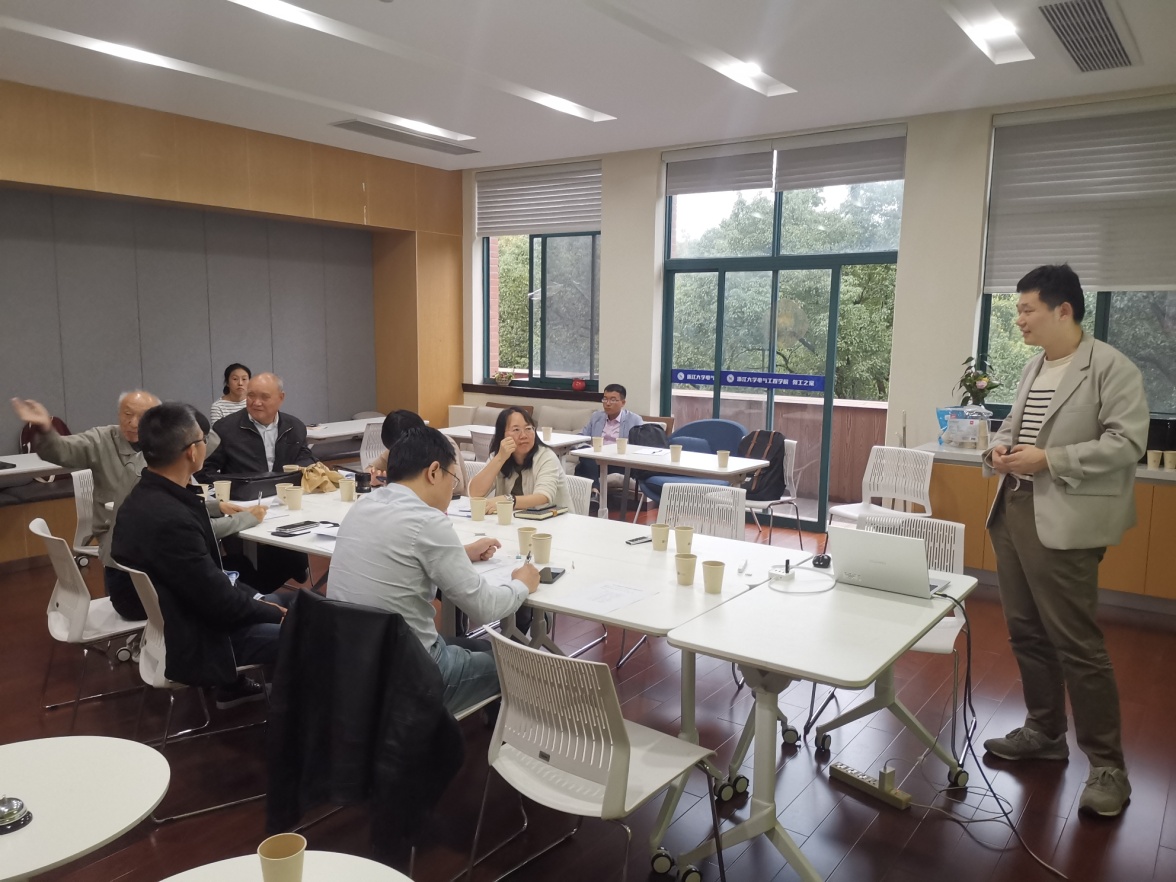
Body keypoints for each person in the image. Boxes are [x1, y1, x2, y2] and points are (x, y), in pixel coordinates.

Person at [982, 264, 1149, 818]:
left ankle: (1108, 767)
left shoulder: (1111, 367)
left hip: (1066, 519)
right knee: (1026, 633)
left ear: (1063, 310)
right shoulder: (1034, 366)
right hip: (1013, 509)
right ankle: (1044, 732)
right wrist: (997, 450)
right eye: (1018, 310)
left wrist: (1050, 460)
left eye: (1027, 309)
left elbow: (1127, 443)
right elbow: (1014, 429)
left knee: (1077, 643)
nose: (1019, 319)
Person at [327, 427, 539, 714]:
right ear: (434, 472)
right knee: (523, 664)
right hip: (411, 675)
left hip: (351, 664)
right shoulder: (428, 520)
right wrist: (522, 583)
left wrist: (460, 553)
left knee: (484, 649)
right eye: (453, 479)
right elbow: (486, 608)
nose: (452, 489)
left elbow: (405, 554)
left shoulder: (363, 505)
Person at [111, 402, 284, 707]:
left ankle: (239, 689)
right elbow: (220, 603)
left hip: (181, 619)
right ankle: (300, 717)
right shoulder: (171, 519)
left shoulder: (143, 498)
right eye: (203, 439)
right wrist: (274, 613)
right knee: (313, 628)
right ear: (192, 452)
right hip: (201, 638)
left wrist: (265, 604)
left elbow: (208, 585)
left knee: (290, 602)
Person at [201, 372, 315, 476]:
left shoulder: (294, 427)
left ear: (281, 397)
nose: (256, 403)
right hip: (243, 491)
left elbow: (306, 459)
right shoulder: (225, 428)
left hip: (286, 489)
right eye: (251, 395)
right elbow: (205, 470)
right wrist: (229, 485)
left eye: (264, 397)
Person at [467, 406, 571, 513]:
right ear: (502, 435)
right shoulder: (499, 456)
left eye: (528, 429)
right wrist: (499, 458)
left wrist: (508, 500)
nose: (523, 435)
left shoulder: (546, 456)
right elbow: (475, 493)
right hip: (514, 520)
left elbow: (543, 497)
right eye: (516, 430)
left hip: (555, 520)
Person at [367, 409, 467, 496]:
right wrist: (374, 477)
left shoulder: (443, 445)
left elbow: (457, 485)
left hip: (453, 504)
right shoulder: (396, 448)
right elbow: (367, 471)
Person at [575, 383, 645, 487]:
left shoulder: (634, 420)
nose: (607, 403)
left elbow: (640, 446)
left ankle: (594, 491)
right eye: (605, 399)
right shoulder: (596, 417)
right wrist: (585, 447)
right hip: (596, 460)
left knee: (581, 469)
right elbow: (581, 437)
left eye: (612, 400)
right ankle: (596, 490)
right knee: (584, 459)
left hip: (618, 462)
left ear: (623, 402)